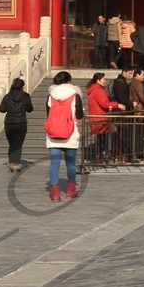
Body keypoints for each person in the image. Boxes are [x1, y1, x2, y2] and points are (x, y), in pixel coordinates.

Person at [44, 69, 84, 200]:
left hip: (53, 133)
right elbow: (79, 115)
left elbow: (48, 114)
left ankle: (55, 194)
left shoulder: (51, 96)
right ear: (69, 81)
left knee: (54, 164)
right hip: (70, 134)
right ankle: (70, 190)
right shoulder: (75, 95)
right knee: (70, 164)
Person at [0, 76, 33, 173]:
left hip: (9, 123)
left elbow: (2, 109)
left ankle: (11, 162)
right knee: (18, 144)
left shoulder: (7, 96)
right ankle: (16, 163)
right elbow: (30, 109)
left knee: (11, 144)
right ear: (23, 86)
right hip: (21, 123)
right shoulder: (26, 96)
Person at [86, 71, 115, 160]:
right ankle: (101, 157)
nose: (105, 81)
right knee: (103, 140)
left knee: (100, 139)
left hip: (96, 118)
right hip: (101, 118)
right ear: (98, 80)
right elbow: (105, 104)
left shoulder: (93, 90)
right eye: (103, 79)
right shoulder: (98, 91)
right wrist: (117, 105)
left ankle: (99, 156)